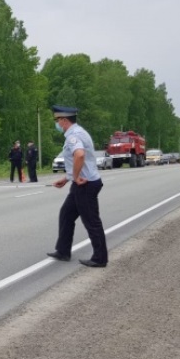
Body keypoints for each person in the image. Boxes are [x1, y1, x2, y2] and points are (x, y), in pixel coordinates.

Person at [46, 106, 108, 268]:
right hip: (81, 183)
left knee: (91, 221)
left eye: (58, 121)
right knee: (66, 214)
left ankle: (100, 258)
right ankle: (63, 251)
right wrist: (67, 178)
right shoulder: (79, 132)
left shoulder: (74, 136)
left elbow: (79, 155)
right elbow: (80, 160)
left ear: (64, 120)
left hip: (85, 185)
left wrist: (74, 176)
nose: (57, 124)